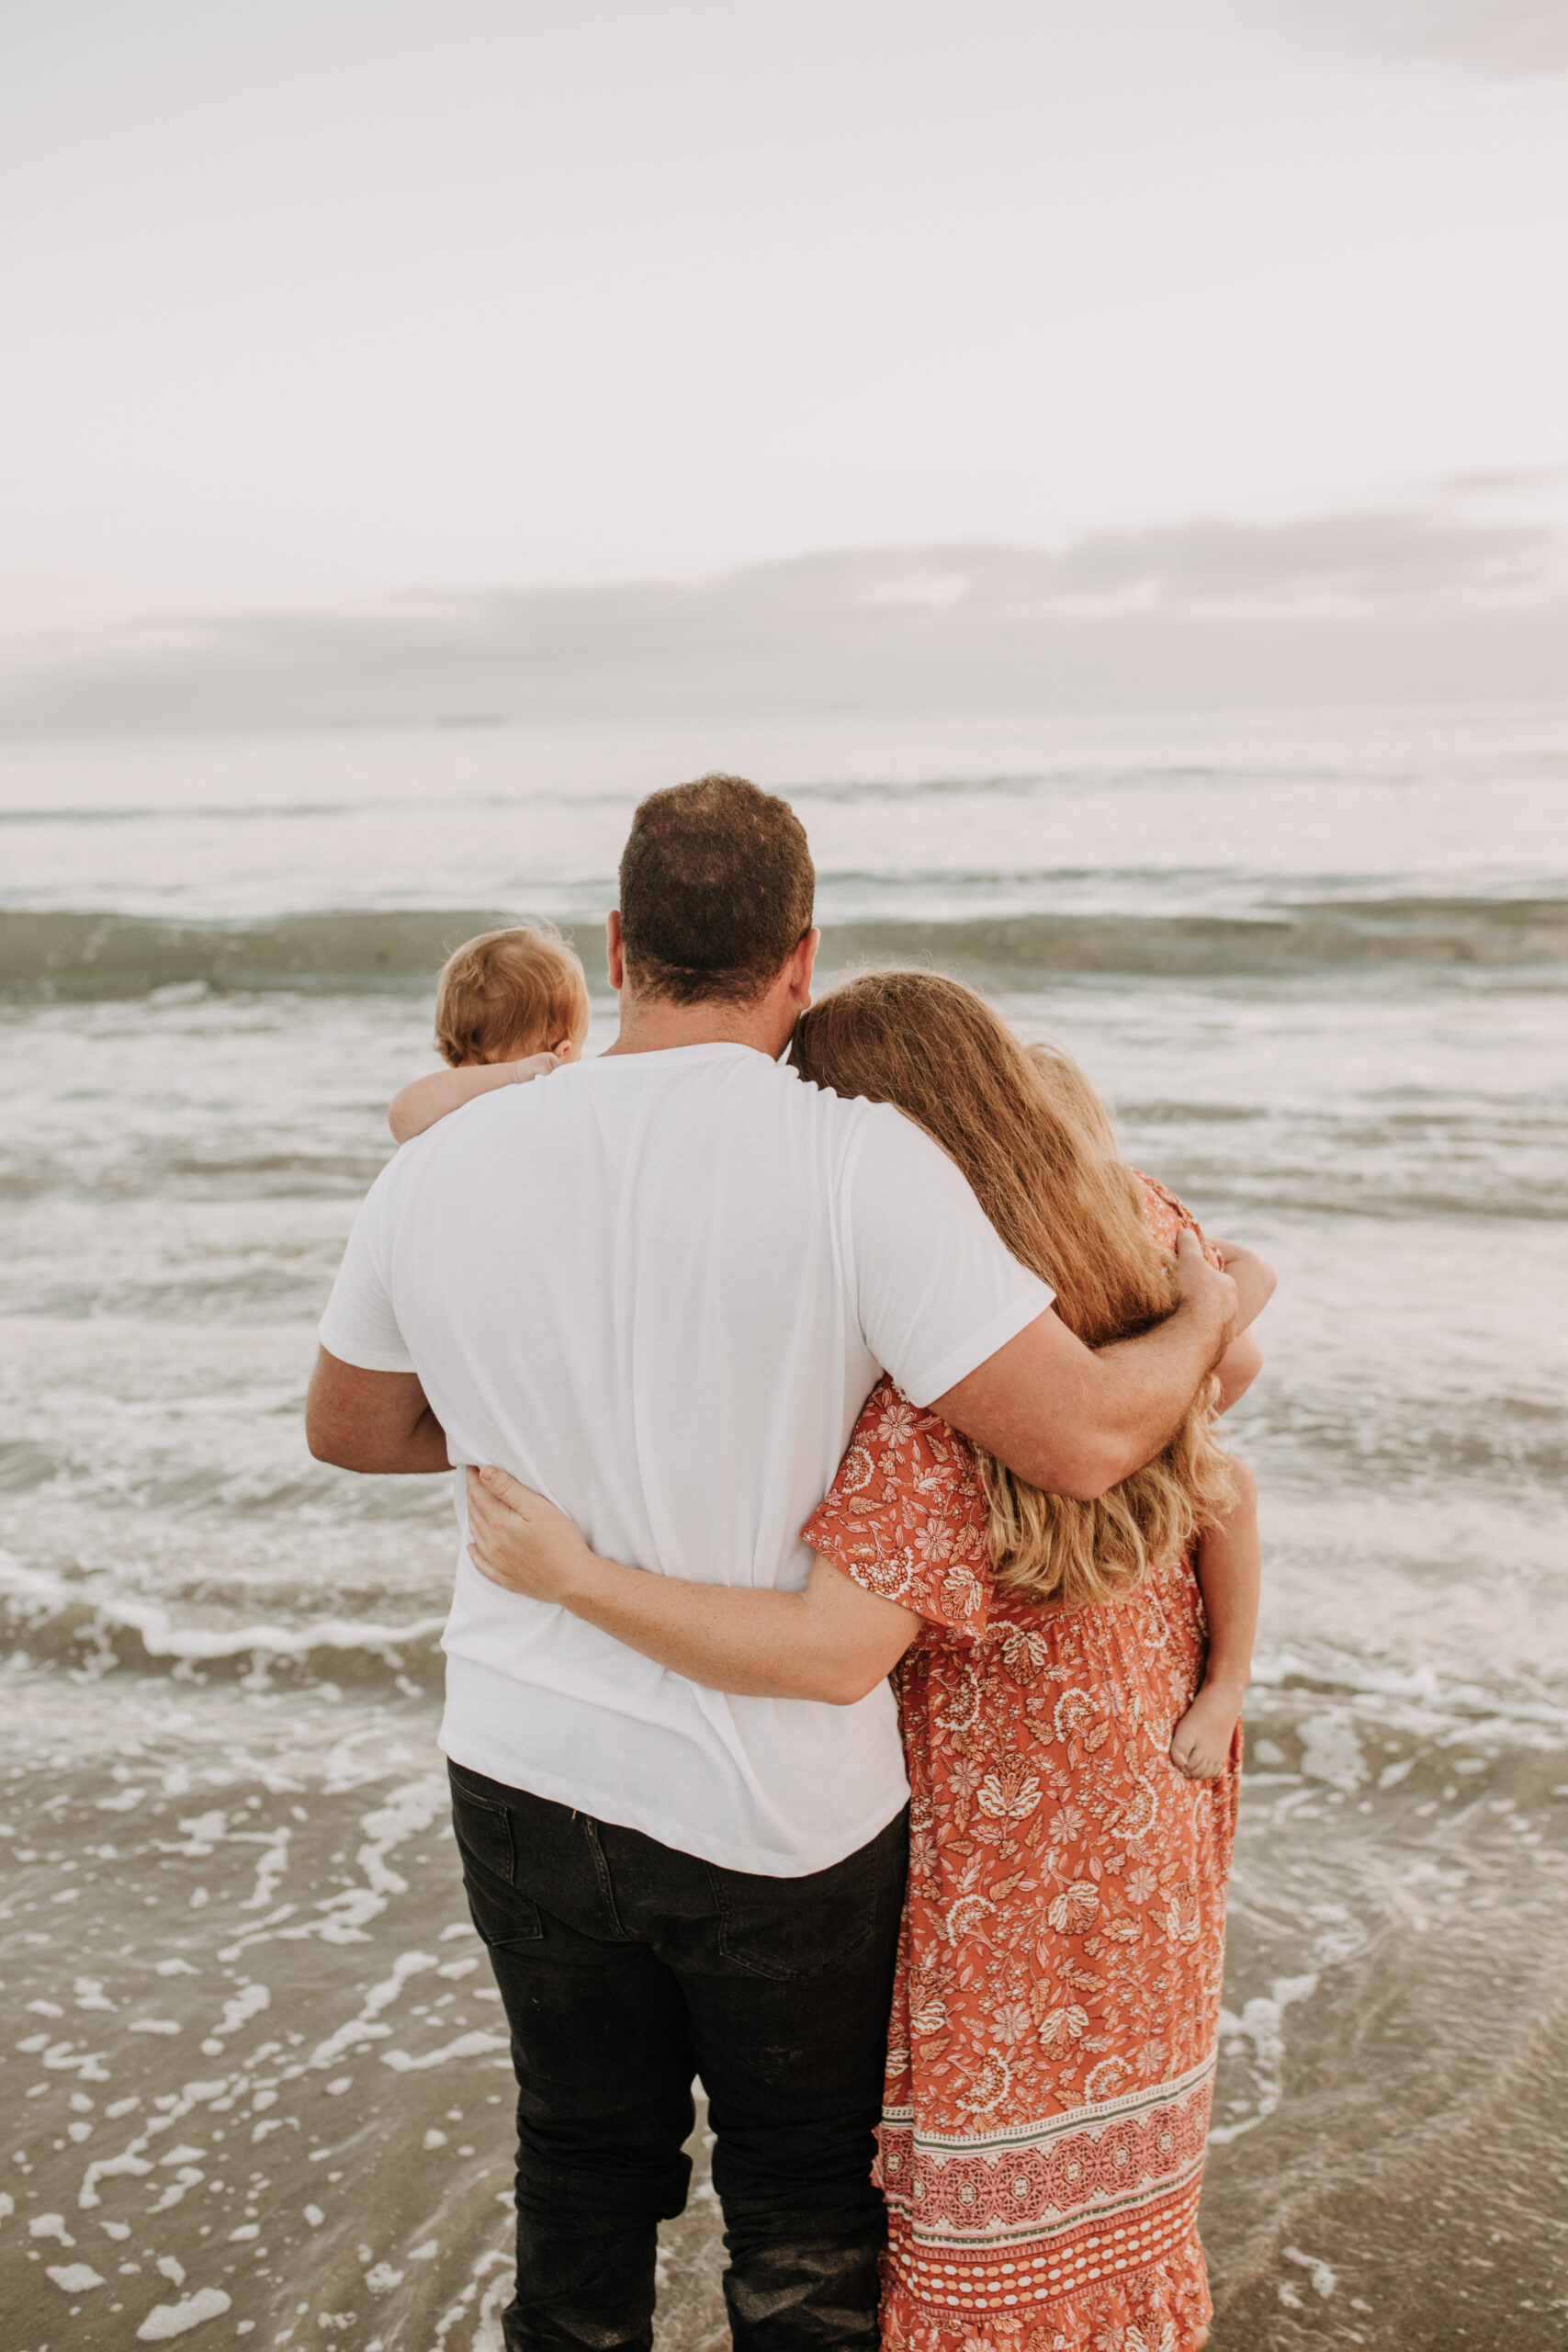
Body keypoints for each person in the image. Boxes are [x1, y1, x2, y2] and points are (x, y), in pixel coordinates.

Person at [305, 775, 1241, 2352]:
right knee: (801, 2210)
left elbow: (351, 1428)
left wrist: (539, 1475)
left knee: (581, 2171)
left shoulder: (443, 1167)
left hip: (522, 1764)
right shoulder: (863, 1164)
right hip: (776, 1809)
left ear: (617, 946)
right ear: (801, 959)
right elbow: (1083, 1442)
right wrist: (1210, 1315)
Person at [387, 922, 592, 1144]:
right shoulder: (452, 1106)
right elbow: (401, 1115)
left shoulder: (446, 1104)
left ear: (446, 1053)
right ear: (562, 1052)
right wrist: (515, 1074)